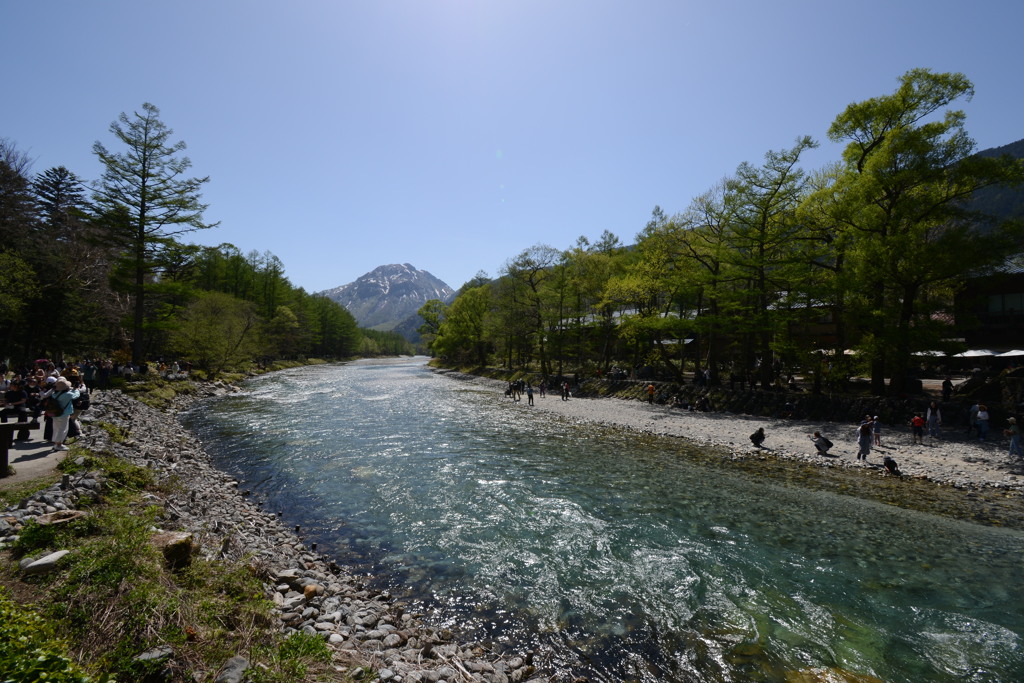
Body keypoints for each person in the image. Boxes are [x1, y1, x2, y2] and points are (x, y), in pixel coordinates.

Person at [47, 378, 79, 452]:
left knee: (56, 428)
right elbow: (76, 395)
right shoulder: (68, 394)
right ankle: (59, 444)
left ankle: (55, 443)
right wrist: (76, 389)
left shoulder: (54, 393)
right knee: (63, 429)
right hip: (63, 414)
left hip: (55, 413)